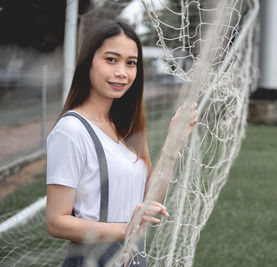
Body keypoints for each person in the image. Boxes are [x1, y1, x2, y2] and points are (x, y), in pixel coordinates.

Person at [46, 20, 198, 266]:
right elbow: (56, 221)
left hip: (133, 258)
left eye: (131, 63)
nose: (122, 72)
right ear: (88, 63)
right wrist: (125, 230)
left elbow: (149, 200)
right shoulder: (71, 130)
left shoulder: (125, 126)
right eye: (111, 59)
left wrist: (174, 141)